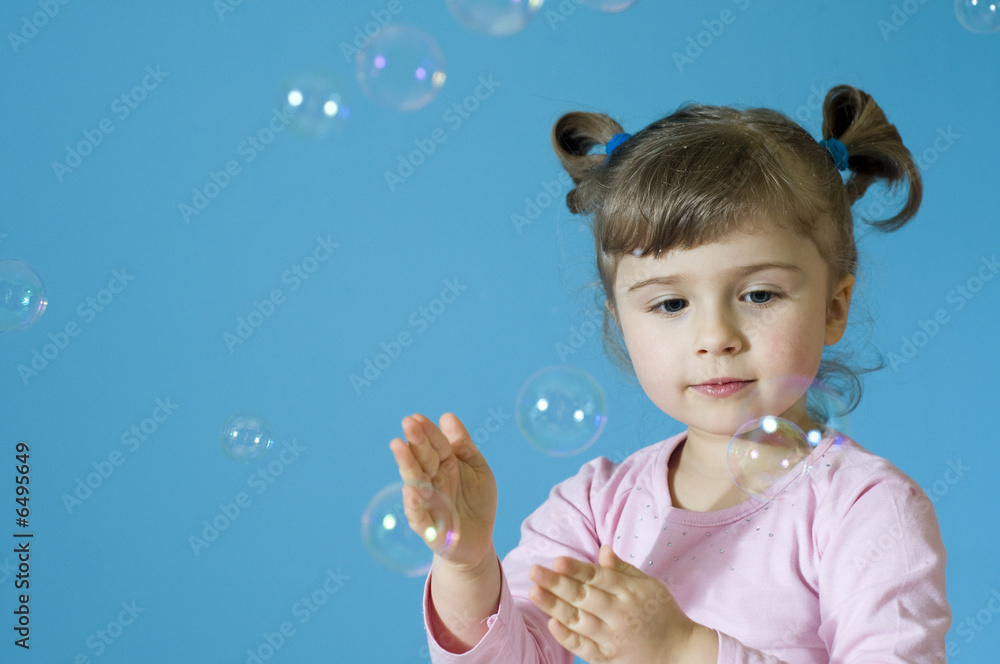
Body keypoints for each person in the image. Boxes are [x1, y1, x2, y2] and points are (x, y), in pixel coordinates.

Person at [389, 84, 951, 663]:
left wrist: (685, 650)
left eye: (760, 294)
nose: (715, 337)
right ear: (621, 320)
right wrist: (468, 565)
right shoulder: (595, 508)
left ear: (834, 307)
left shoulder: (864, 508)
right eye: (671, 304)